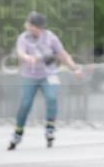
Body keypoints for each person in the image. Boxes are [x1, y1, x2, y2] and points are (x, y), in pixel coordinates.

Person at [8, 11, 83, 150]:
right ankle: (18, 132)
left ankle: (50, 127)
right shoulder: (23, 38)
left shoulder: (50, 37)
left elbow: (63, 54)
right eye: (31, 26)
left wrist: (75, 68)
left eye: (36, 27)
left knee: (51, 98)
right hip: (30, 76)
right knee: (25, 103)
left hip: (49, 74)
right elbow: (20, 52)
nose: (33, 29)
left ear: (41, 27)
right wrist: (27, 58)